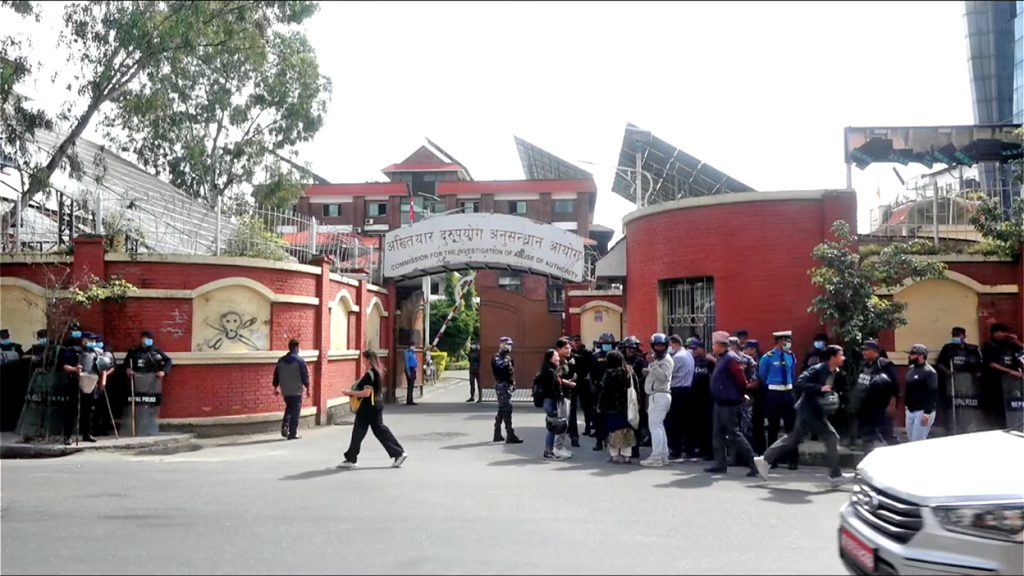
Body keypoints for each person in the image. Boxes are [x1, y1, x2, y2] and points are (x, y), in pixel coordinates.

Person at [755, 345, 854, 487]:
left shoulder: (835, 372)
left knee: (794, 438)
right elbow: (800, 382)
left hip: (814, 410)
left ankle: (765, 460)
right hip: (809, 411)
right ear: (832, 357)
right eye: (841, 355)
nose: (843, 358)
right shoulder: (818, 369)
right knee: (831, 437)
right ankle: (835, 475)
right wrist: (819, 388)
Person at [338, 350, 407, 468]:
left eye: (364, 359)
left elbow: (366, 393)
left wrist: (350, 393)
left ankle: (352, 458)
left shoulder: (369, 374)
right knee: (377, 430)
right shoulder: (377, 372)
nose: (363, 361)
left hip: (367, 407)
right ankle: (398, 453)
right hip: (376, 405)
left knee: (359, 432)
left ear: (369, 360)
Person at [704, 331, 759, 477]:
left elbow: (742, 381)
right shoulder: (723, 358)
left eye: (714, 344)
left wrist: (736, 394)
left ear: (720, 345)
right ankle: (720, 463)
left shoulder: (731, 359)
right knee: (717, 434)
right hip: (720, 402)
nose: (712, 347)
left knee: (734, 434)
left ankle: (755, 462)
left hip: (730, 403)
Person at [758, 331, 799, 470]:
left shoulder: (790, 356)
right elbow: (762, 376)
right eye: (786, 340)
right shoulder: (767, 358)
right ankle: (772, 460)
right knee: (773, 428)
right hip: (774, 394)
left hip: (788, 393)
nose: (788, 343)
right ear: (779, 342)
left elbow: (792, 374)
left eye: (789, 340)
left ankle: (793, 460)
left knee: (791, 428)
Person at [934, 327, 982, 431]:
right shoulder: (947, 348)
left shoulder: (972, 349)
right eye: (953, 335)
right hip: (952, 382)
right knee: (954, 403)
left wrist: (977, 374)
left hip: (968, 383)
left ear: (964, 336)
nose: (955, 337)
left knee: (968, 403)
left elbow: (978, 365)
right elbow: (940, 363)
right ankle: (953, 426)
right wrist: (947, 371)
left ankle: (970, 426)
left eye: (957, 335)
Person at [858, 340, 900, 452]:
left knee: (888, 435)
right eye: (863, 350)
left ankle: (899, 455)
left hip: (882, 407)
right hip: (867, 407)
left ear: (875, 351)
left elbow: (895, 385)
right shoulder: (864, 365)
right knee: (867, 436)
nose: (864, 352)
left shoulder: (885, 364)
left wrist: (892, 404)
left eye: (867, 350)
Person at [980, 323, 1024, 428]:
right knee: (997, 409)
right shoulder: (989, 345)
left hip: (1011, 383)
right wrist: (1011, 371)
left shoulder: (1010, 344)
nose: (1005, 334)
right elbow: (992, 364)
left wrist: (1017, 342)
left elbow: (1022, 353)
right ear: (996, 333)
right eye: (1003, 332)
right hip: (994, 381)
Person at [640, 333, 673, 467]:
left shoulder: (666, 360)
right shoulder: (660, 360)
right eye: (657, 345)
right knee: (659, 426)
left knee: (655, 427)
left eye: (662, 346)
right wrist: (649, 371)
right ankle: (663, 455)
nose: (659, 348)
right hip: (657, 395)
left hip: (660, 395)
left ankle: (656, 457)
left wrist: (652, 365)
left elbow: (664, 377)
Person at [598, 350, 637, 463]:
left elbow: (603, 391)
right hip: (627, 407)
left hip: (612, 408)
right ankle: (627, 456)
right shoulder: (629, 371)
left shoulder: (609, 373)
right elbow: (636, 389)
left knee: (613, 431)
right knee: (627, 430)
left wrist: (600, 405)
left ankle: (614, 455)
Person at [62, 331, 98, 444]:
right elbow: (65, 366)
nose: (93, 342)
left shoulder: (94, 353)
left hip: (90, 383)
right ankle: (67, 436)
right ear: (84, 340)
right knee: (72, 410)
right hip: (76, 382)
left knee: (88, 410)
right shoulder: (73, 351)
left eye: (94, 341)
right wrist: (75, 369)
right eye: (91, 340)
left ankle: (87, 433)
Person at [665, 334, 695, 463]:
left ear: (675, 343)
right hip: (688, 390)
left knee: (675, 423)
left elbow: (667, 374)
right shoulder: (689, 354)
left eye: (669, 345)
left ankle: (676, 451)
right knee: (688, 423)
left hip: (677, 391)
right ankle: (690, 451)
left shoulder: (677, 357)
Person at [273, 339, 310, 440]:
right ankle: (292, 433)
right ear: (296, 348)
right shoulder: (300, 361)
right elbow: (304, 376)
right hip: (296, 390)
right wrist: (308, 388)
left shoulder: (281, 360)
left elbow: (276, 375)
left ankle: (285, 425)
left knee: (289, 407)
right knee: (295, 411)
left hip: (285, 390)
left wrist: (275, 387)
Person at [589, 332, 618, 452]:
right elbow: (591, 374)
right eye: (605, 343)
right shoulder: (595, 357)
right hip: (599, 391)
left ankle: (609, 440)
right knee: (598, 417)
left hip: (613, 391)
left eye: (608, 343)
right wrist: (593, 387)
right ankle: (599, 441)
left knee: (611, 417)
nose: (607, 345)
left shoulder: (617, 357)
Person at [622, 336, 650, 460]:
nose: (631, 350)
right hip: (624, 394)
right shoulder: (621, 360)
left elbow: (643, 377)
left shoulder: (640, 361)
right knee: (624, 421)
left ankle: (635, 448)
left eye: (633, 348)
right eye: (629, 348)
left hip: (637, 395)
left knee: (636, 421)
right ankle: (625, 447)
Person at [688, 338, 716, 461]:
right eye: (692, 349)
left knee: (708, 426)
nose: (694, 351)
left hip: (708, 398)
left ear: (702, 349)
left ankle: (710, 451)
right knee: (698, 425)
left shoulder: (710, 361)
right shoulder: (694, 361)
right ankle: (701, 449)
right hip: (696, 398)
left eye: (696, 349)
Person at [537, 348, 567, 460]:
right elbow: (551, 389)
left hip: (551, 401)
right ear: (550, 358)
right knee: (552, 426)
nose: (558, 358)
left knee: (552, 426)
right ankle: (548, 451)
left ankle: (548, 450)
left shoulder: (551, 370)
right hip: (550, 401)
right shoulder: (549, 372)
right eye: (556, 356)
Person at [492, 336, 523, 444]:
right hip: (501, 386)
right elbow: (500, 366)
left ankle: (497, 433)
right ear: (502, 345)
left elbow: (511, 372)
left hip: (507, 386)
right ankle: (510, 434)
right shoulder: (497, 357)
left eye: (510, 345)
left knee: (502, 409)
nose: (510, 347)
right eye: (508, 344)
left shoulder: (508, 358)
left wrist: (513, 382)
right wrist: (504, 356)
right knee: (507, 409)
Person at [904, 344, 938, 442]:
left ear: (921, 356)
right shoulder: (911, 369)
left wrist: (927, 413)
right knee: (911, 441)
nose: (910, 356)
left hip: (922, 411)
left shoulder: (930, 372)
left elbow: (932, 393)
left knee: (918, 441)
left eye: (912, 354)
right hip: (910, 410)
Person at [569, 335, 595, 438]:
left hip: (584, 381)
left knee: (586, 406)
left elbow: (590, 365)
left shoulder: (586, 352)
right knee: (572, 406)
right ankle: (571, 427)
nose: (576, 342)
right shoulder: (570, 353)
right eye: (574, 340)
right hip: (573, 382)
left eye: (578, 340)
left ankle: (588, 426)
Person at [554, 337, 577, 453]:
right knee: (562, 422)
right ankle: (558, 448)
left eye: (569, 348)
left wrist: (572, 378)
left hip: (567, 393)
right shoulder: (558, 361)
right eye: (566, 348)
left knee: (565, 421)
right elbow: (557, 378)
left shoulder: (567, 360)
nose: (569, 350)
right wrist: (568, 383)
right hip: (561, 395)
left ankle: (560, 446)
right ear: (559, 349)